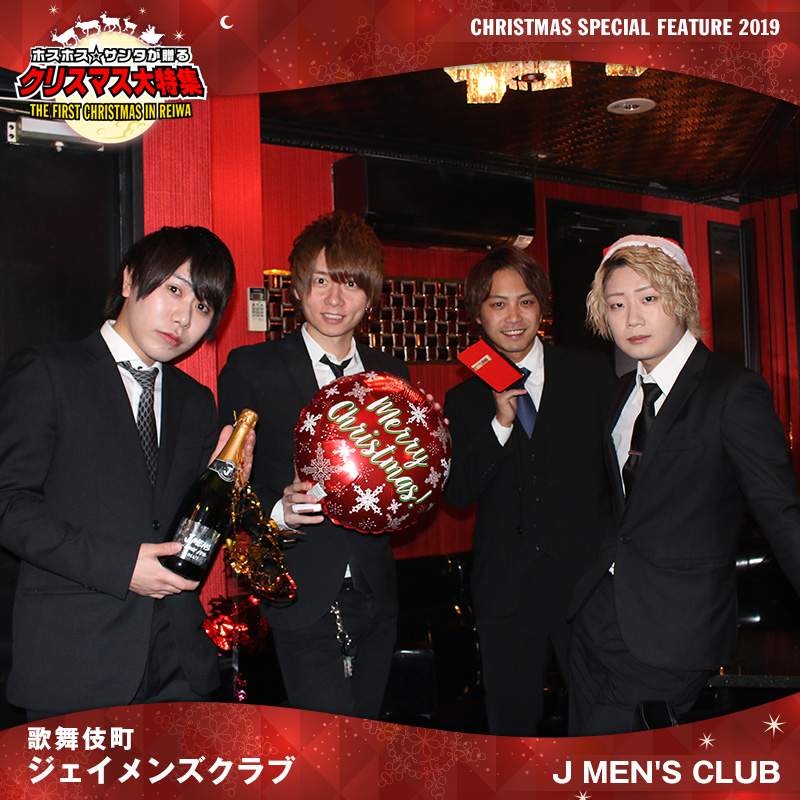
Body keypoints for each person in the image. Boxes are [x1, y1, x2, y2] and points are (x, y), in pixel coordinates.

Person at [0, 225, 249, 721]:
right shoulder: (48, 372)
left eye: (202, 306)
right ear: (130, 279)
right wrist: (120, 566)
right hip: (75, 662)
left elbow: (187, 529)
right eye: (174, 289)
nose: (183, 317)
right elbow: (9, 504)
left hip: (179, 665)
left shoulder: (197, 402)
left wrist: (226, 490)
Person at [568, 234, 800, 735]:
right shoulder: (622, 394)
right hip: (596, 619)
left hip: (674, 632)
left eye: (648, 298)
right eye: (616, 304)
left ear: (681, 299)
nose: (632, 319)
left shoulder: (732, 391)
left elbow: (781, 512)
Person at [217, 211, 409, 720]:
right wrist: (278, 512)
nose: (335, 299)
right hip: (298, 590)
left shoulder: (392, 375)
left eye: (350, 283)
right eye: (322, 281)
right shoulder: (251, 369)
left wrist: (424, 461)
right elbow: (225, 486)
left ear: (370, 294)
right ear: (299, 288)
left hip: (375, 594)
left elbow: (400, 491)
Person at [442, 246, 614, 736]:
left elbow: (619, 472)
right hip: (507, 590)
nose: (513, 317)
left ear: (542, 307)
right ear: (478, 314)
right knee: (511, 729)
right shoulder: (463, 398)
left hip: (584, 584)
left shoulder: (591, 373)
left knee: (601, 717)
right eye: (497, 304)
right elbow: (457, 494)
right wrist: (499, 424)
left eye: (525, 302)